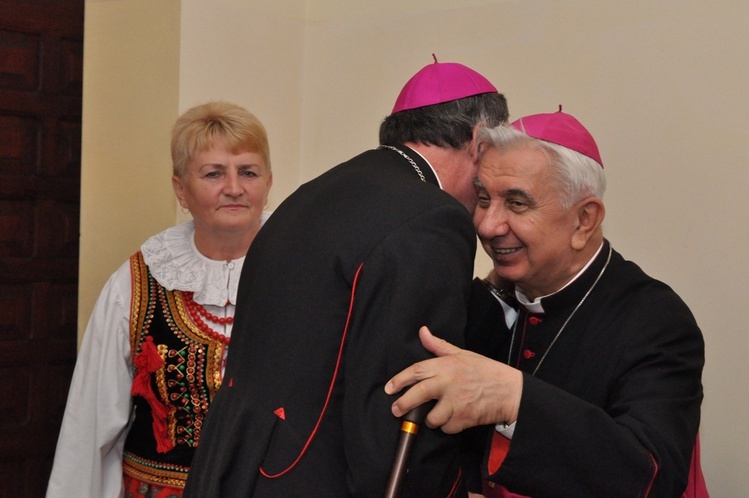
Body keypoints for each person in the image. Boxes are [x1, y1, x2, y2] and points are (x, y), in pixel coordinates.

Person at [183, 58, 508, 497]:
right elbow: (400, 404)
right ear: (478, 141)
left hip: (237, 471)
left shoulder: (314, 192)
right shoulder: (433, 217)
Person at [386, 109, 705, 497]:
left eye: (517, 204)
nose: (487, 226)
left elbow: (651, 476)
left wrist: (512, 398)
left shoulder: (655, 319)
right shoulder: (481, 302)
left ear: (585, 220)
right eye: (483, 198)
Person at [46, 101, 274, 498]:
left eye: (248, 172)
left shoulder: (305, 273)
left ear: (269, 183)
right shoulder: (135, 284)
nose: (234, 187)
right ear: (180, 189)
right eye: (214, 173)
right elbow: (91, 425)